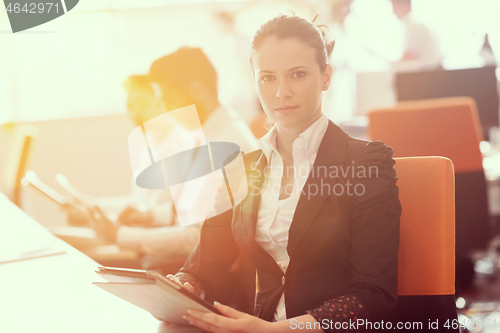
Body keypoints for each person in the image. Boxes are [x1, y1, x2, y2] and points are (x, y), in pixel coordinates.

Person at [164, 14, 402, 332]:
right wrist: (178, 290)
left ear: (326, 77)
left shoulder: (365, 162)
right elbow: (203, 266)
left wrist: (275, 330)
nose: (282, 92)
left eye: (298, 74)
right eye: (268, 78)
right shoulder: (242, 169)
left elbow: (373, 296)